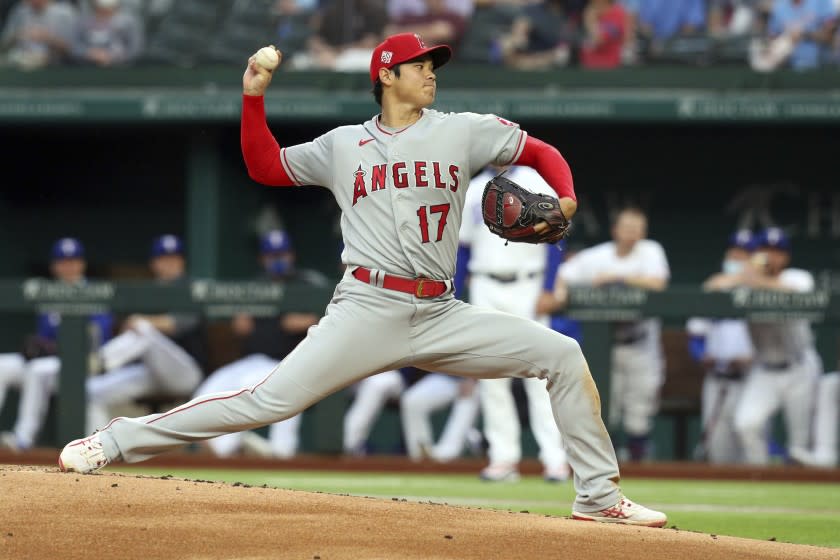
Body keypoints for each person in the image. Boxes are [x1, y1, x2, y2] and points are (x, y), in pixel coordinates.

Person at [59, 32, 667, 528]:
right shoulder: (342, 144)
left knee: (562, 354)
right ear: (386, 76)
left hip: (441, 311)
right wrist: (253, 99)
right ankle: (113, 442)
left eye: (434, 65)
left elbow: (540, 152)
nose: (431, 73)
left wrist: (563, 199)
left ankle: (597, 496)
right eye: (419, 65)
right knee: (267, 401)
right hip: (366, 305)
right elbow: (265, 166)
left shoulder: (462, 129)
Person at [458, 165, 570, 483]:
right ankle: (503, 459)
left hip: (528, 285)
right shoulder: (474, 188)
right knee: (492, 376)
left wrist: (549, 287)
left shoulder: (535, 181)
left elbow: (554, 235)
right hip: (484, 285)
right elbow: (464, 247)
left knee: (539, 375)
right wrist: (455, 286)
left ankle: (555, 460)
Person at [544, 207, 670, 461]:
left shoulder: (651, 250)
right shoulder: (596, 256)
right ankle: (607, 465)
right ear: (615, 230)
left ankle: (639, 463)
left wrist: (617, 278)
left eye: (637, 229)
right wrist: (561, 294)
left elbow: (658, 283)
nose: (632, 233)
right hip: (607, 345)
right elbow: (563, 276)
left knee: (639, 411)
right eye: (627, 228)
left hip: (641, 343)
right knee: (605, 409)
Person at [194, 229, 326, 458]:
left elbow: (328, 315)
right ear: (263, 259)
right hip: (252, 360)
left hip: (287, 362)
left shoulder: (307, 283)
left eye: (282, 255)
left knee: (246, 387)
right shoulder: (255, 286)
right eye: (272, 256)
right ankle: (224, 450)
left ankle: (232, 452)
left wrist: (310, 319)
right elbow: (240, 326)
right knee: (207, 389)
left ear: (291, 255)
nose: (277, 260)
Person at [0, 237, 113, 451]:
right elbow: (44, 339)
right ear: (54, 266)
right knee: (3, 365)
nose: (68, 266)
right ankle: (21, 440)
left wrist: (56, 345)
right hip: (53, 366)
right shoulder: (48, 294)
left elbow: (98, 337)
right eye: (63, 261)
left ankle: (22, 438)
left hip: (85, 366)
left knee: (37, 370)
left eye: (73, 261)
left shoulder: (96, 292)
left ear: (82, 264)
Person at [86, 235, 207, 432]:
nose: (169, 263)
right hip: (152, 371)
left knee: (143, 328)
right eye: (163, 259)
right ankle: (101, 449)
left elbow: (179, 324)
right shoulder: (149, 291)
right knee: (91, 391)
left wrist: (141, 322)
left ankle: (99, 361)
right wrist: (135, 324)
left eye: (174, 258)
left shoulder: (191, 288)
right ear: (154, 263)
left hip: (186, 372)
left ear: (182, 261)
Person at [731, 227, 822, 465]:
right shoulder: (744, 282)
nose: (771, 256)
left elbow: (794, 292)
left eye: (777, 251)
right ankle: (760, 477)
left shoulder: (798, 277)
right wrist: (744, 275)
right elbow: (713, 289)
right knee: (746, 424)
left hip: (800, 367)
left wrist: (755, 279)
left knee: (800, 445)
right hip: (765, 371)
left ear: (786, 257)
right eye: (765, 250)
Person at [685, 230, 757, 464]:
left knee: (749, 437)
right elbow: (696, 335)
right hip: (717, 377)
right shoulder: (714, 288)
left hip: (751, 378)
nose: (737, 259)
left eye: (744, 255)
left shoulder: (761, 290)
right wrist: (702, 357)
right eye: (734, 253)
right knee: (717, 445)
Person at [400, 372, 481, 461]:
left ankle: (447, 454)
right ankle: (420, 456)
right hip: (446, 375)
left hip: (482, 380)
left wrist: (473, 379)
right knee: (412, 400)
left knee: (468, 398)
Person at [0, 0, 77, 69]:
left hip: (54, 65)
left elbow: (71, 49)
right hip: (20, 60)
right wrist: (18, 35)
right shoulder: (20, 11)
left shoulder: (64, 13)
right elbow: (5, 43)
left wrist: (47, 38)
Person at [70, 0, 144, 67]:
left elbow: (135, 49)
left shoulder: (129, 21)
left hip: (121, 69)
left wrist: (112, 57)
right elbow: (74, 47)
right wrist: (90, 53)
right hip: (86, 68)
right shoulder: (82, 21)